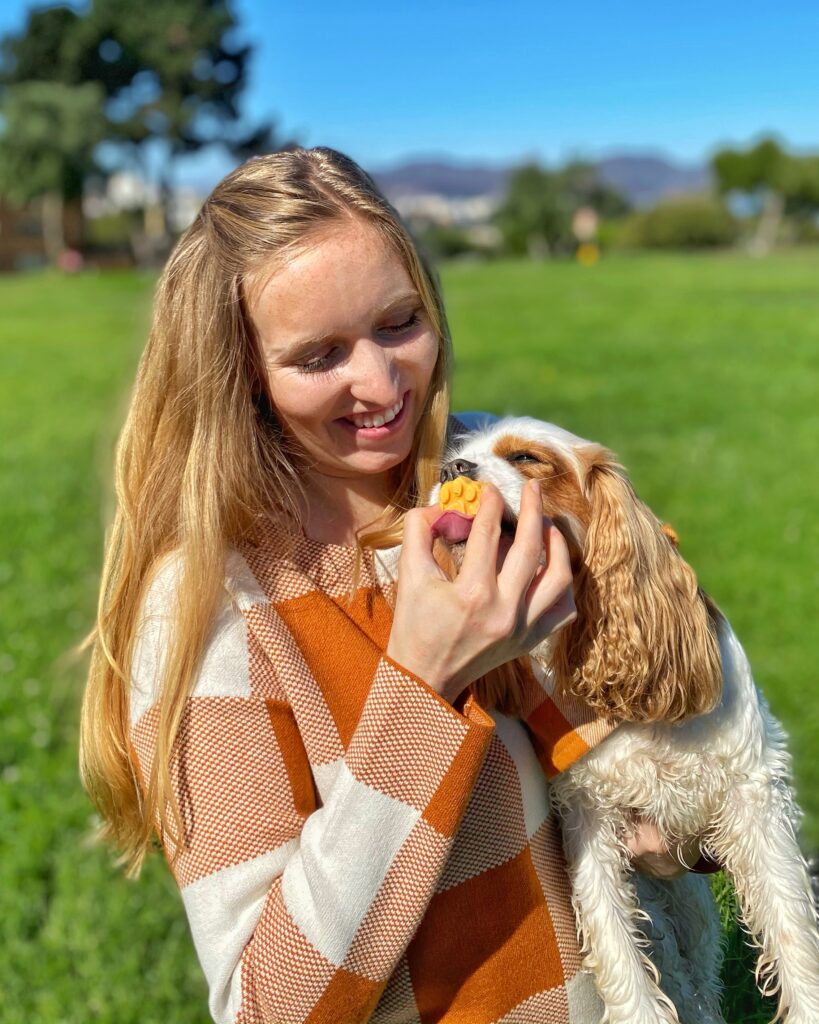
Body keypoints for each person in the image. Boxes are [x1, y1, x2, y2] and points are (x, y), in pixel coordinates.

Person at [80, 147, 696, 1024]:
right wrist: (422, 681)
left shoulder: (489, 475)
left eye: (399, 323)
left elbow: (640, 788)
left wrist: (690, 816)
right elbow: (269, 1008)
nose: (380, 386)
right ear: (241, 373)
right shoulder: (214, 610)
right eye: (319, 355)